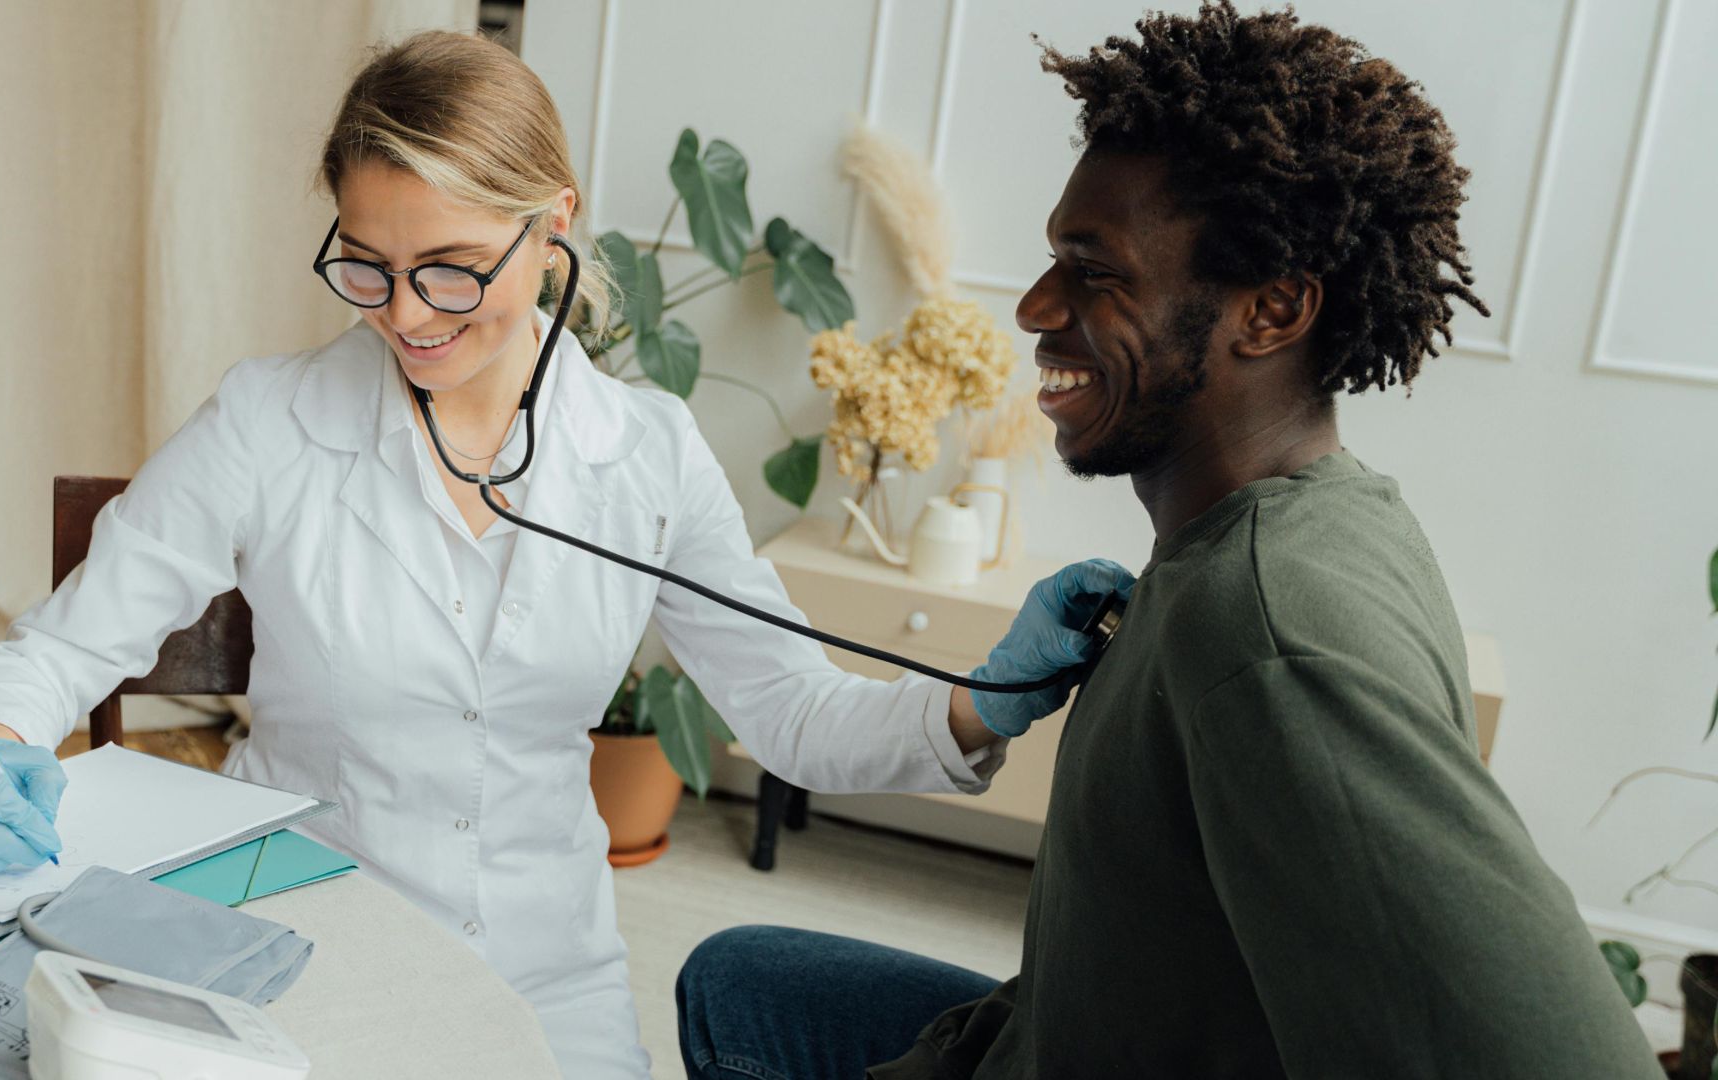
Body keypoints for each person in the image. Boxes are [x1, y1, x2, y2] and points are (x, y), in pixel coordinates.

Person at [0, 30, 1123, 1079]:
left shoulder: (643, 454)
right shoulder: (268, 421)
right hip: (288, 941)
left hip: (552, 974)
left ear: (554, 229)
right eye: (366, 266)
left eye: (449, 267)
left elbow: (792, 713)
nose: (405, 314)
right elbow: (63, 647)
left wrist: (979, 705)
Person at [674, 4, 1661, 1078]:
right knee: (739, 984)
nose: (1038, 306)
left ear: (1271, 309)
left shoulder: (1271, 633)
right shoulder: (1325, 517)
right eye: (1056, 258)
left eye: (1095, 271)